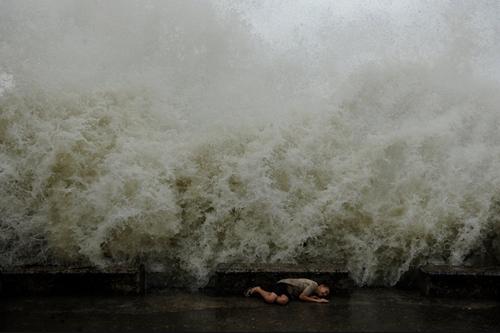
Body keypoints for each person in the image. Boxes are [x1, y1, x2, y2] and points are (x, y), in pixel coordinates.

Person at [244, 278, 330, 305]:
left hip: (289, 292)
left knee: (283, 301)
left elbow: (302, 294)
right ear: (321, 286)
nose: (324, 294)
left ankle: (267, 293)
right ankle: (258, 289)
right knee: (270, 300)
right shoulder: (314, 285)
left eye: (326, 294)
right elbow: (301, 297)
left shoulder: (313, 290)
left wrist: (310, 297)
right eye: (325, 291)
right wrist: (318, 301)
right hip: (284, 285)